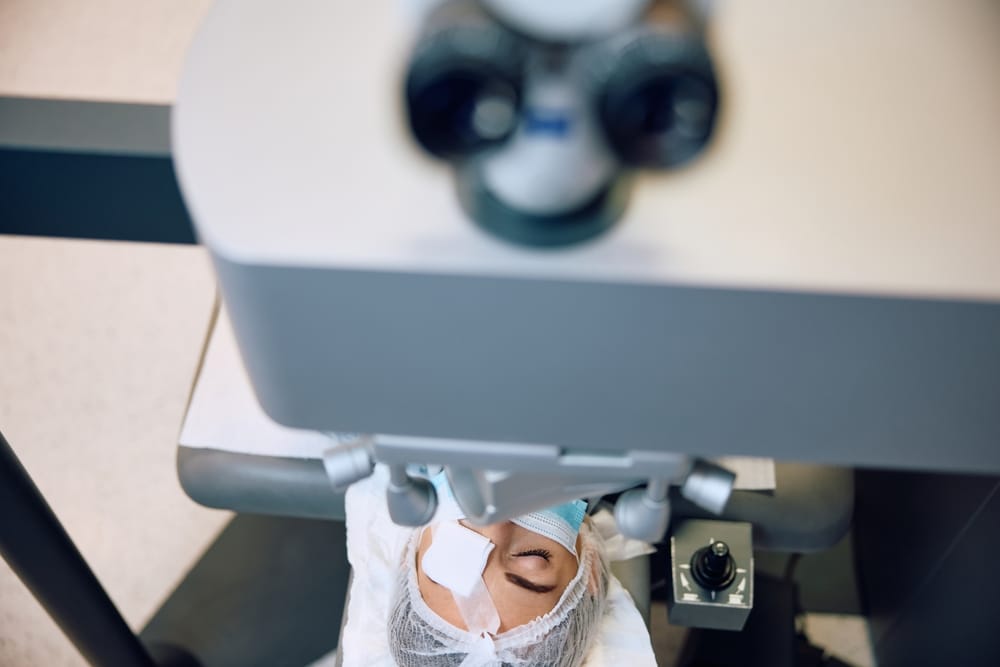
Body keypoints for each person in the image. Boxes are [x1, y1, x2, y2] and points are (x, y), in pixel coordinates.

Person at [341, 467, 656, 667]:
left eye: (455, 552)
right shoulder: (647, 444)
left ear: (409, 551)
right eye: (533, 557)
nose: (495, 522)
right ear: (589, 573)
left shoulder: (372, 417)